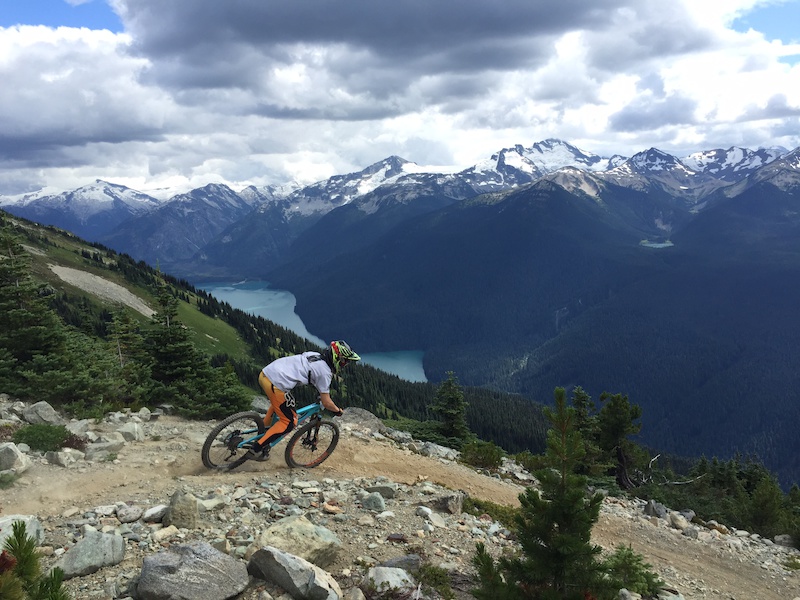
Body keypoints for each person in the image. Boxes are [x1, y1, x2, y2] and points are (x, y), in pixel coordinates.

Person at [246, 340, 361, 460]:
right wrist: (337, 411)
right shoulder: (325, 373)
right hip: (276, 384)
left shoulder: (314, 355)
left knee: (280, 404)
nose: (345, 364)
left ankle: (264, 431)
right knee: (289, 422)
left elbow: (307, 371)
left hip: (266, 373)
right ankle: (256, 450)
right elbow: (326, 402)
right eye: (344, 361)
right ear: (337, 358)